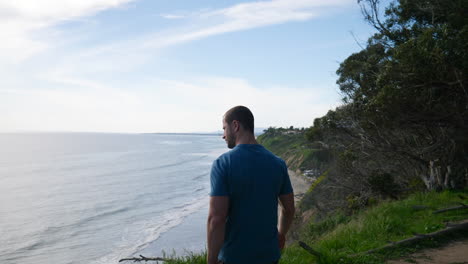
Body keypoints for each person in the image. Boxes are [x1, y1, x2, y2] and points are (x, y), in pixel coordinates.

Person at [207, 106, 295, 264]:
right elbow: (289, 209)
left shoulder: (222, 164)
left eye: (224, 128)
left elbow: (216, 219)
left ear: (235, 125)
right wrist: (281, 235)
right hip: (269, 256)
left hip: (234, 257)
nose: (223, 135)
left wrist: (211, 261)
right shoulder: (278, 163)